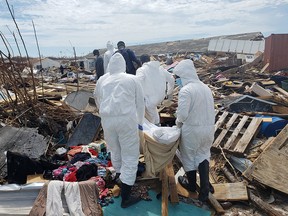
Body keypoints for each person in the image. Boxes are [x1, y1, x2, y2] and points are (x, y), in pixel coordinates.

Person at [94, 53, 145, 208]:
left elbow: (97, 100)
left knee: (115, 150)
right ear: (123, 66)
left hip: (107, 120)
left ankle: (120, 177)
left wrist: (105, 115)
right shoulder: (132, 79)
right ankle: (126, 197)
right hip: (126, 120)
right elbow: (140, 103)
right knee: (130, 155)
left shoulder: (103, 81)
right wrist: (140, 123)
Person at [173, 59, 215, 202]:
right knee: (203, 154)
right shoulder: (206, 87)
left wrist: (177, 123)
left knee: (189, 157)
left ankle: (191, 185)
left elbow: (183, 115)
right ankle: (205, 187)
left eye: (178, 78)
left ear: (183, 76)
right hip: (208, 128)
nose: (177, 81)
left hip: (192, 129)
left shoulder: (186, 90)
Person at [136, 54, 175, 125]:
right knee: (154, 113)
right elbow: (171, 79)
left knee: (151, 120)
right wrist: (169, 92)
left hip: (150, 100)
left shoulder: (141, 70)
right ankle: (158, 125)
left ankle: (155, 130)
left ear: (141, 62)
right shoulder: (160, 68)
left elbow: (138, 83)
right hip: (160, 98)